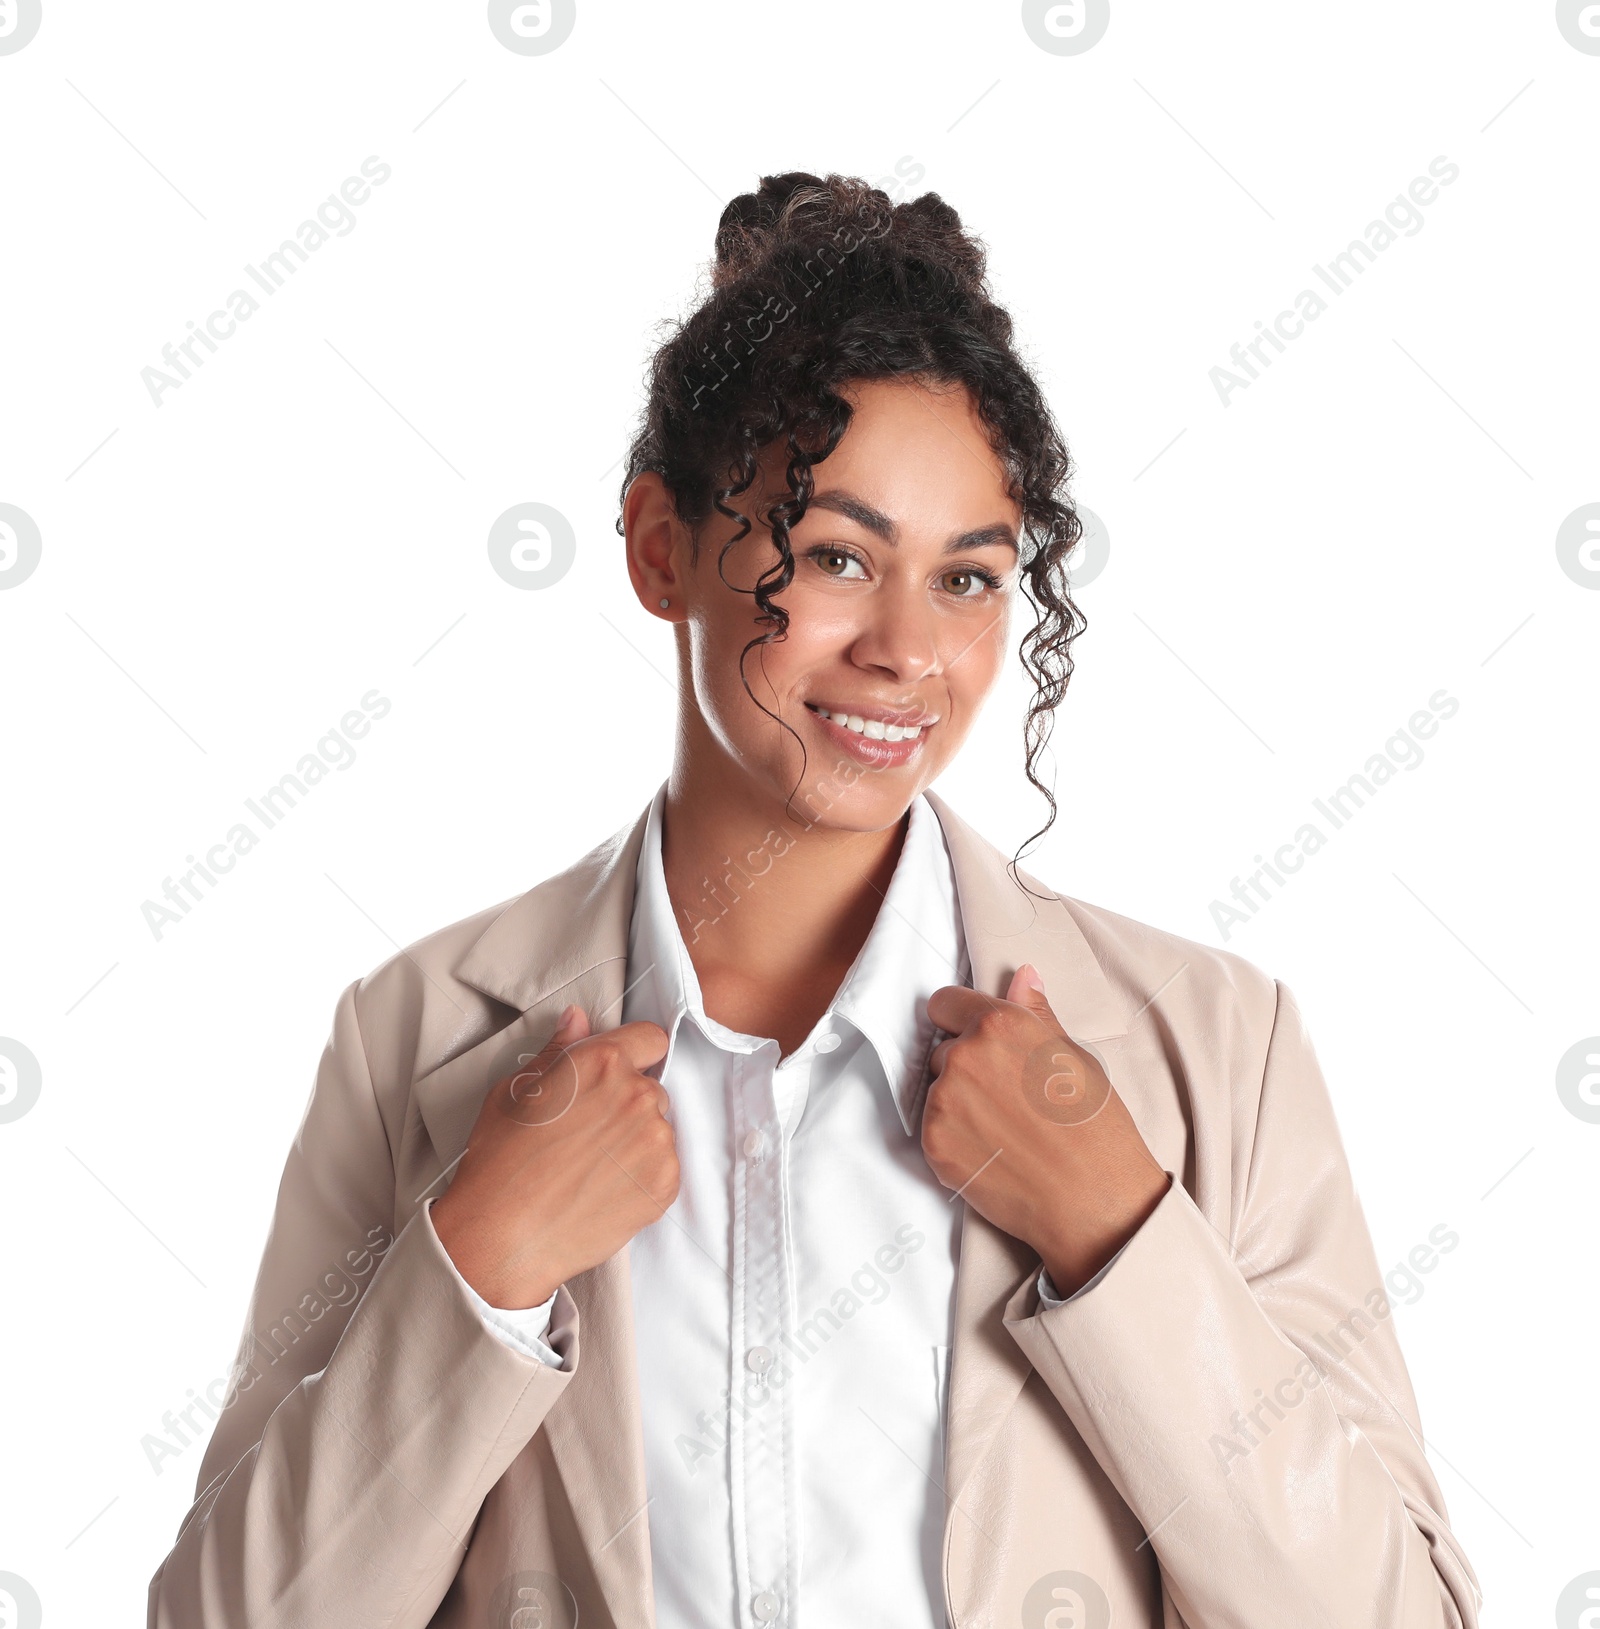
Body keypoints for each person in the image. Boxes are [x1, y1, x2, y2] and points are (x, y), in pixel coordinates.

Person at [148, 172, 1483, 1629]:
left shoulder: (1216, 1048)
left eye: (970, 579)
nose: (909, 649)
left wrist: (1120, 1234)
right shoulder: (409, 1038)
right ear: (662, 546)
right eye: (837, 556)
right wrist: (477, 1272)